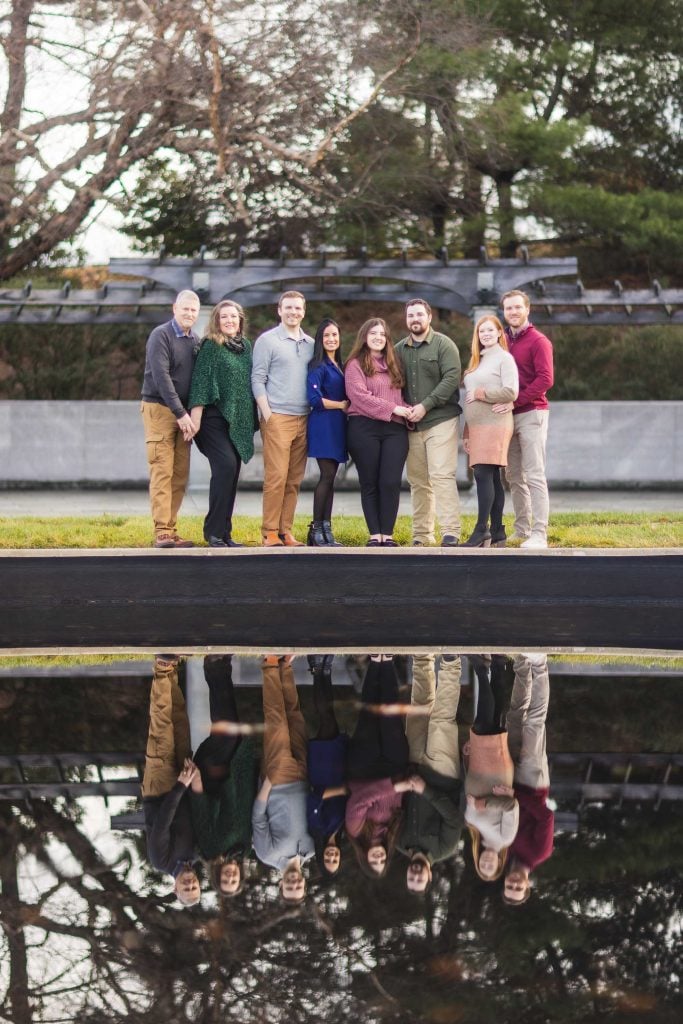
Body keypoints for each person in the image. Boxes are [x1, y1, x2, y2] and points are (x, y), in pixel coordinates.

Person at [188, 300, 257, 547]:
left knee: (233, 473)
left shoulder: (246, 347)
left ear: (240, 320)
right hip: (212, 420)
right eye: (224, 317)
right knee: (225, 468)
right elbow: (200, 382)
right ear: (217, 320)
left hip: (235, 421)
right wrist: (195, 419)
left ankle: (226, 533)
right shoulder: (211, 345)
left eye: (233, 316)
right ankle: (213, 531)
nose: (229, 320)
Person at [188, 655, 258, 898]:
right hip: (239, 772)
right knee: (231, 726)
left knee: (227, 730)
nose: (230, 876)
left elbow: (201, 811)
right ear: (239, 874)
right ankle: (219, 667)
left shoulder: (210, 849)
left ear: (218, 875)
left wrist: (196, 779)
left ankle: (216, 666)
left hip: (215, 772)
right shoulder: (245, 850)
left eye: (226, 879)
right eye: (234, 879)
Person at [395, 299, 462, 547]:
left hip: (440, 419)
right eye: (411, 315)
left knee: (442, 475)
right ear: (406, 319)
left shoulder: (444, 345)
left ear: (429, 317)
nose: (415, 319)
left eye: (419, 314)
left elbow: (452, 378)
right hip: (412, 425)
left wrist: (425, 405)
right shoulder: (399, 349)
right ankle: (422, 535)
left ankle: (451, 531)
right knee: (418, 480)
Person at [251, 291, 314, 546]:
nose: (293, 312)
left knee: (294, 479)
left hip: (304, 418)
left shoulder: (310, 344)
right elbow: (257, 379)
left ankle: (285, 530)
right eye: (288, 308)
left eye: (297, 308)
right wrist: (268, 415)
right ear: (279, 310)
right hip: (277, 417)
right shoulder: (267, 341)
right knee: (276, 477)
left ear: (304, 311)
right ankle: (269, 532)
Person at [398, 654, 465, 893]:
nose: (415, 875)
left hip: (413, 766)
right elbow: (454, 818)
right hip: (442, 774)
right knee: (441, 721)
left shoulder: (400, 843)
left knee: (419, 708)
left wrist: (403, 783)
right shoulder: (444, 849)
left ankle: (422, 656)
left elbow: (396, 807)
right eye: (419, 879)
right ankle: (450, 663)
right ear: (429, 877)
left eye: (410, 878)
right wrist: (426, 791)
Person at [140, 291, 201, 548]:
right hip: (160, 409)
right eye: (185, 309)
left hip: (183, 415)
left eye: (193, 311)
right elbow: (161, 377)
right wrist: (180, 413)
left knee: (179, 474)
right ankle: (162, 531)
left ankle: (171, 529)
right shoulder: (161, 335)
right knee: (162, 470)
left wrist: (190, 415)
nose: (189, 314)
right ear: (175, 308)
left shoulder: (195, 340)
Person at [251, 655, 314, 902]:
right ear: (304, 883)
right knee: (295, 718)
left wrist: (268, 782)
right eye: (298, 886)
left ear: (280, 886)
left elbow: (258, 818)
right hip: (304, 775)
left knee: (276, 722)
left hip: (277, 780)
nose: (293, 882)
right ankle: (285, 667)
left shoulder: (268, 856)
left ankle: (269, 663)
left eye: (289, 887)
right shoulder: (311, 850)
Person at [494, 290, 554, 548]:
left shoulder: (539, 341)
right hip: (508, 417)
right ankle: (522, 530)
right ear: (504, 312)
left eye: (518, 307)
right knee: (513, 476)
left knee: (534, 474)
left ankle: (540, 533)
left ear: (527, 310)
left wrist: (515, 401)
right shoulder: (502, 340)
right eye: (509, 308)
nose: (513, 312)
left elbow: (545, 380)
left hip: (532, 413)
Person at [345, 319, 412, 546]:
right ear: (364, 336)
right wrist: (394, 408)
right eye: (373, 333)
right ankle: (375, 534)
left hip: (395, 429)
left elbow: (399, 398)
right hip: (364, 428)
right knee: (370, 482)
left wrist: (407, 410)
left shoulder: (394, 364)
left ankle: (388, 533)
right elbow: (359, 397)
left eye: (382, 334)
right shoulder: (355, 365)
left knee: (391, 481)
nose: (378, 338)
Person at [141, 655, 201, 906]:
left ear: (175, 889)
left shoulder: (160, 860)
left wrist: (180, 785)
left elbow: (163, 821)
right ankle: (172, 670)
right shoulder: (195, 854)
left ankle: (161, 669)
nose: (190, 884)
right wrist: (194, 781)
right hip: (184, 781)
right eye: (194, 886)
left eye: (186, 889)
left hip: (161, 789)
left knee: (161, 729)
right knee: (179, 721)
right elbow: (197, 813)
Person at [345, 655, 412, 878]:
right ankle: (388, 662)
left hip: (364, 766)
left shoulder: (356, 829)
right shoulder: (393, 830)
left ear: (365, 857)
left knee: (370, 713)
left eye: (374, 860)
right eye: (383, 859)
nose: (379, 856)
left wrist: (394, 787)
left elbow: (360, 798)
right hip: (394, 765)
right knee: (391, 714)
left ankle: (375, 663)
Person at [462, 315, 519, 547]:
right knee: (492, 477)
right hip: (476, 427)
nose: (484, 334)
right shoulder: (477, 361)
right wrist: (467, 432)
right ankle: (497, 532)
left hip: (496, 423)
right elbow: (469, 398)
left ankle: (480, 530)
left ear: (498, 333)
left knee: (482, 474)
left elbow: (511, 392)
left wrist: (481, 394)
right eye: (481, 331)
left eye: (489, 330)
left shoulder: (504, 359)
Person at [503, 653, 554, 905]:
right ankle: (539, 665)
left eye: (509, 887)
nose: (513, 883)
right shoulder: (539, 853)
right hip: (533, 784)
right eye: (517, 888)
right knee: (534, 722)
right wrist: (517, 796)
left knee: (514, 717)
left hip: (510, 779)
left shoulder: (506, 852)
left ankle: (521, 663)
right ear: (527, 886)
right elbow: (546, 816)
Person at [464, 654, 519, 882]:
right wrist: (483, 804)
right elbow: (511, 806)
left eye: (482, 866)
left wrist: (465, 758)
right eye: (491, 866)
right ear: (499, 862)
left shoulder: (474, 834)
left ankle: (498, 665)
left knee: (495, 719)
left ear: (477, 860)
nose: (486, 863)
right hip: (496, 773)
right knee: (484, 724)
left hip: (477, 766)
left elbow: (466, 788)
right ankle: (480, 669)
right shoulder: (505, 839)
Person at [306, 318, 349, 547]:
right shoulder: (317, 366)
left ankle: (326, 528)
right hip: (324, 425)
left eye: (335, 335)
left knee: (331, 480)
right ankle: (316, 529)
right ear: (320, 340)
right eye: (327, 336)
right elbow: (314, 399)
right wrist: (341, 405)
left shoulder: (339, 365)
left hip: (338, 426)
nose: (331, 339)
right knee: (326, 477)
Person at [305, 654, 348, 880]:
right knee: (328, 719)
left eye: (328, 859)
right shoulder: (342, 830)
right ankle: (321, 670)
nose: (332, 856)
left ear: (321, 856)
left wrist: (341, 791)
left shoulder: (317, 829)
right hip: (339, 767)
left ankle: (320, 670)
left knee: (327, 720)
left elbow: (315, 798)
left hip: (322, 770)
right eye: (335, 859)